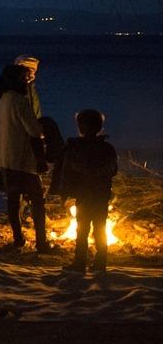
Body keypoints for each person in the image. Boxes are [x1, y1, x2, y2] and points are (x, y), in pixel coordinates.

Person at [0, 63, 51, 252]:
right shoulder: (19, 101)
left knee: (13, 200)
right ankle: (41, 243)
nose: (28, 82)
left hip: (6, 157)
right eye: (25, 79)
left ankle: (18, 239)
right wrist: (45, 133)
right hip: (22, 160)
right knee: (37, 201)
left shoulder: (3, 99)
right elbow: (33, 131)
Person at [59, 109, 118, 274]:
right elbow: (113, 170)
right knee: (100, 227)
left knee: (82, 229)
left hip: (84, 196)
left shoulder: (75, 148)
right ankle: (100, 263)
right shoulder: (108, 148)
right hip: (101, 196)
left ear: (81, 127)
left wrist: (65, 193)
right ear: (100, 127)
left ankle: (80, 263)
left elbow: (68, 171)